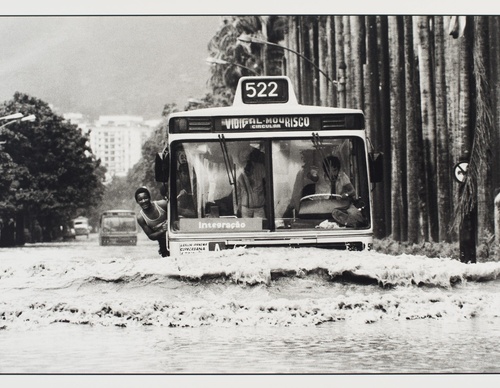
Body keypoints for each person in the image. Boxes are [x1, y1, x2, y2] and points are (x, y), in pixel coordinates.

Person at [315, 155, 365, 227]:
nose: (332, 173)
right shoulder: (319, 177)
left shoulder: (342, 176)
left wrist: (346, 194)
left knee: (356, 215)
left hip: (339, 206)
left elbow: (353, 191)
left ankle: (352, 223)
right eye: (329, 170)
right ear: (325, 170)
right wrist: (312, 175)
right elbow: (312, 176)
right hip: (321, 206)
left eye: (334, 170)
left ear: (338, 169)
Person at [135, 186, 169, 257]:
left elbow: (179, 213)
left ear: (149, 198)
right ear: (137, 202)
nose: (143, 201)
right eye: (140, 199)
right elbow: (151, 236)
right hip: (163, 243)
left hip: (177, 235)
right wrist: (163, 230)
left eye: (145, 198)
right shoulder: (141, 218)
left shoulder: (162, 204)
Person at [236, 146, 266, 218]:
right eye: (242, 157)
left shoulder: (260, 168)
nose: (244, 159)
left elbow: (267, 184)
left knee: (260, 228)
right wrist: (237, 208)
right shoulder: (239, 171)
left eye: (246, 157)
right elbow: (237, 192)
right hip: (245, 207)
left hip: (259, 207)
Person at [176, 150, 197, 217]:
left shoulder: (196, 185)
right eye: (182, 157)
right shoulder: (177, 184)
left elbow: (195, 212)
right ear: (180, 174)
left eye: (189, 174)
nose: (188, 176)